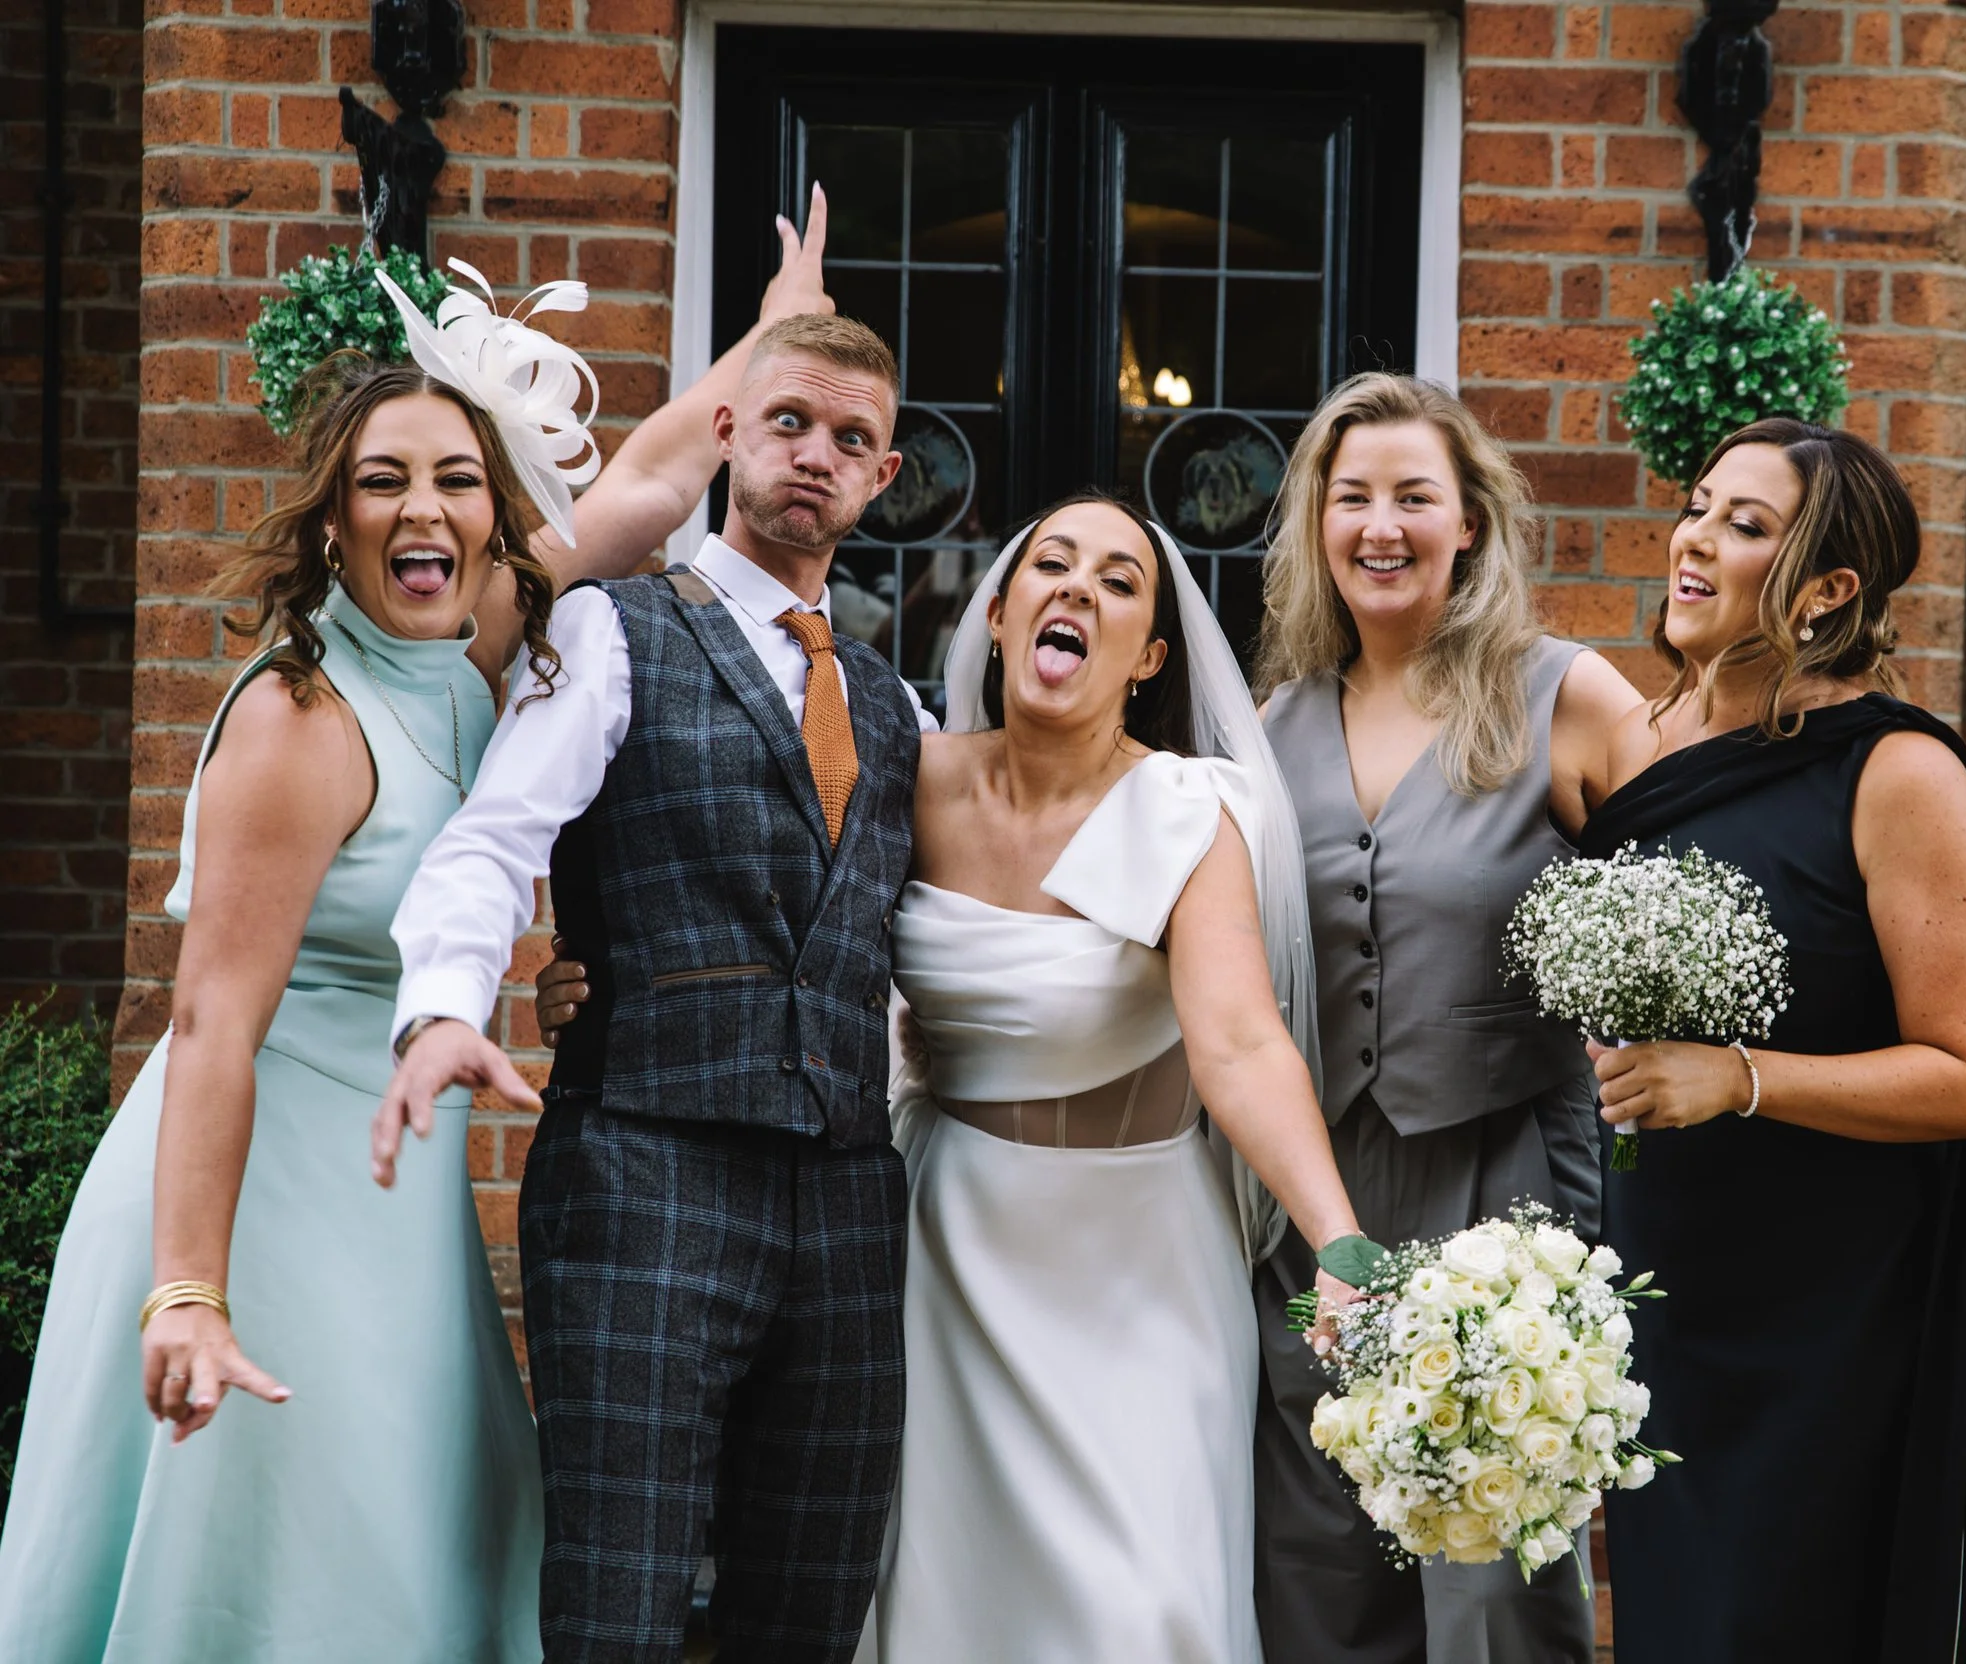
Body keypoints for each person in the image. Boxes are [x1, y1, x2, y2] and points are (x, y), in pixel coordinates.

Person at [0, 197, 843, 1664]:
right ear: (334, 517)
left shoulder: (477, 649)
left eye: (457, 479)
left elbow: (653, 480)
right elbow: (208, 1023)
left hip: (396, 1205)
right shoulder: (300, 718)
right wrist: (188, 1287)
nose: (423, 510)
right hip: (259, 1196)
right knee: (297, 1576)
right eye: (382, 481)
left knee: (434, 1554)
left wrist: (781, 336)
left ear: (494, 513)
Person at [534, 494, 1370, 1662]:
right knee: (943, 1605)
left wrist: (1339, 1239)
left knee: (1139, 1608)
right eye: (1052, 563)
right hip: (944, 1245)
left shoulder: (1189, 810)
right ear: (1001, 613)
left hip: (1139, 1263)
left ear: (1150, 656)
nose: (1077, 588)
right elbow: (751, 908)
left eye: (1118, 581)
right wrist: (600, 973)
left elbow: (1237, 1041)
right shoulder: (907, 776)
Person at [380, 309, 934, 1664]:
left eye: (849, 438)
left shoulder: (900, 708)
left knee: (808, 1606)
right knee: (619, 1603)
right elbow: (495, 838)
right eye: (789, 421)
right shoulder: (612, 630)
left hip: (850, 1200)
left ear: (882, 477)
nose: (814, 454)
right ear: (729, 430)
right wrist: (447, 1004)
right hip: (646, 1173)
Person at [1582, 418, 1966, 1663]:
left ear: (1827, 590)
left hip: (1824, 1319)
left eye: (1746, 525)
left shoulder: (1895, 770)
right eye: (1698, 506)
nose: (1694, 539)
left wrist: (1738, 1077)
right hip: (1669, 1285)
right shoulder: (1648, 743)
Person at [1249, 371, 1644, 1664]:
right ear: (1317, 523)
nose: (1382, 526)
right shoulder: (1269, 726)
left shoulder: (1565, 696)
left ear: (1469, 520)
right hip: (1318, 1210)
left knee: (1493, 1590)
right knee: (1316, 1575)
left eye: (1414, 496)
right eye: (1351, 497)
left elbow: (1695, 887)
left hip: (1504, 1191)